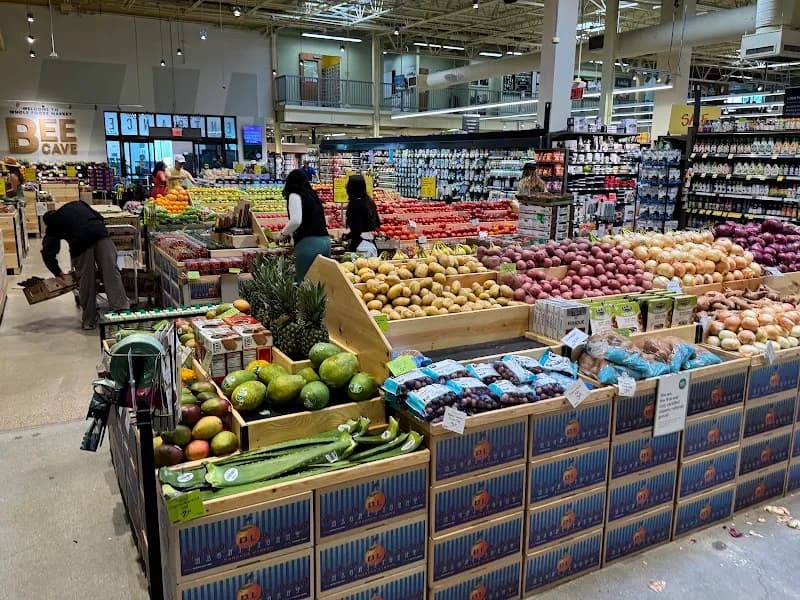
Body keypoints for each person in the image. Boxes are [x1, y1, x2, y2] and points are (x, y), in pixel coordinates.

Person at [42, 202, 130, 329]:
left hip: (80, 242)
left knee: (86, 279)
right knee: (111, 272)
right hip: (100, 233)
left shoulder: (53, 223)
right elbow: (99, 217)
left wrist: (58, 273)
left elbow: (47, 252)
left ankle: (89, 320)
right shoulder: (78, 204)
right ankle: (122, 313)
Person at [279, 169, 330, 282]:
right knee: (323, 284)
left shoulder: (294, 195)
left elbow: (296, 221)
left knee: (305, 284)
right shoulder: (312, 195)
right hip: (325, 241)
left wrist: (282, 234)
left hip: (309, 243)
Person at [345, 174, 381, 257]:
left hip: (359, 245)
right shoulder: (369, 201)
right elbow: (377, 223)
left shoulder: (355, 204)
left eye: (348, 185)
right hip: (370, 242)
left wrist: (349, 236)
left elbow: (357, 228)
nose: (346, 187)